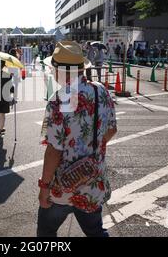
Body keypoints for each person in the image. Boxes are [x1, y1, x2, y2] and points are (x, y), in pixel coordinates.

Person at [38, 41, 118, 237]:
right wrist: (93, 147)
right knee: (95, 232)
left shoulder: (58, 100)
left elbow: (54, 150)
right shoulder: (101, 91)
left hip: (62, 187)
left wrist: (44, 188)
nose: (51, 73)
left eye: (53, 69)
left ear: (61, 71)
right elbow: (112, 130)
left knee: (46, 234)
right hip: (92, 180)